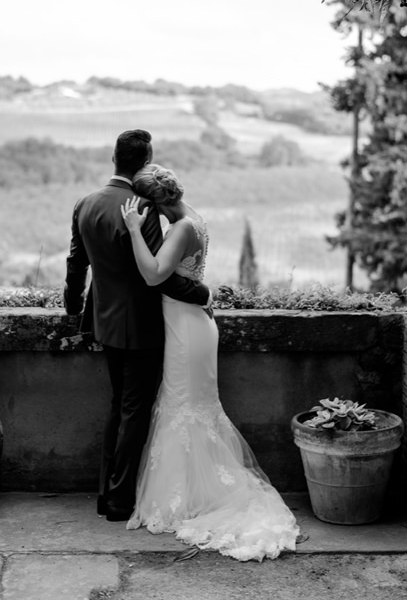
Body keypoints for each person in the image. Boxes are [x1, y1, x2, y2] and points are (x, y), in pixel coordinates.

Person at [121, 163, 300, 561]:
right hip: (190, 323)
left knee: (184, 406)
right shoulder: (194, 218)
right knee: (189, 406)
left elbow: (153, 276)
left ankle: (192, 497)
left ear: (154, 203)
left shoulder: (182, 227)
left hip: (187, 329)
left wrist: (134, 229)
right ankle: (191, 490)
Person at [64, 129, 212, 521]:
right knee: (134, 411)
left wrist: (71, 307)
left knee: (118, 407)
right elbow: (155, 274)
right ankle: (118, 501)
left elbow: (76, 263)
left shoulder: (85, 203)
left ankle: (104, 496)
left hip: (104, 321)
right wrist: (201, 294)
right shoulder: (142, 206)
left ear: (114, 157)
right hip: (141, 325)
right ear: (146, 160)